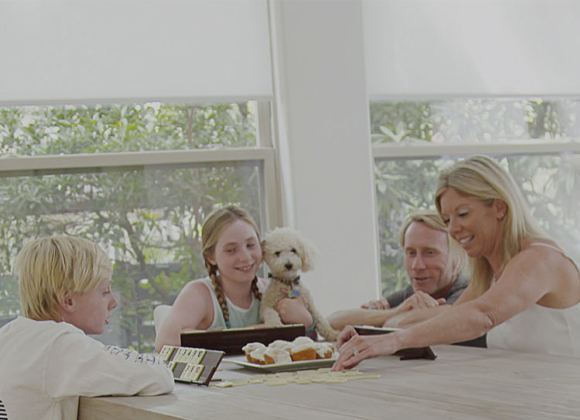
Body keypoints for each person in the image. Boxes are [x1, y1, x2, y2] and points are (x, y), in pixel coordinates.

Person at [333, 155, 580, 371]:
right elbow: (453, 316)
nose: (453, 229)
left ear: (499, 207)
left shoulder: (540, 259)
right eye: (447, 219)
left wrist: (391, 341)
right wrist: (370, 333)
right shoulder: (491, 273)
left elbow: (482, 316)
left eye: (463, 214)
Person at [0, 236, 174, 420]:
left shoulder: (8, 335)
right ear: (68, 301)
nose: (114, 302)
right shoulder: (61, 346)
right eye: (105, 292)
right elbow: (160, 377)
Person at [155, 205, 315, 352]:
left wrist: (307, 321)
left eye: (251, 245)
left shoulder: (277, 289)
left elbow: (310, 342)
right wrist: (255, 332)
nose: (245, 257)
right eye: (231, 250)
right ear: (211, 256)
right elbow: (164, 343)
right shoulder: (199, 294)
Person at [328, 209, 468, 331]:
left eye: (429, 253)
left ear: (457, 259)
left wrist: (380, 319)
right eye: (411, 253)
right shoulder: (412, 296)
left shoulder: (469, 291)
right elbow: (331, 323)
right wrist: (396, 311)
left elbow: (401, 324)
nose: (416, 266)